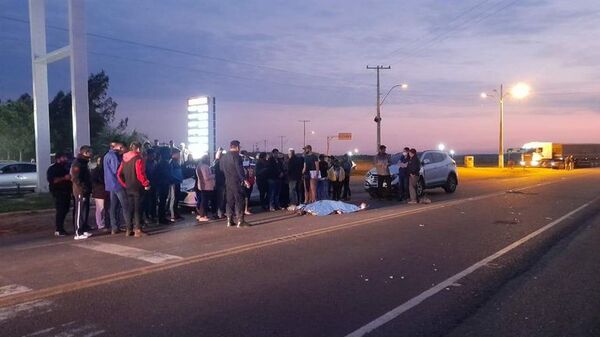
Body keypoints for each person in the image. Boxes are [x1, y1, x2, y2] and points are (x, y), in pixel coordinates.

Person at [117, 142, 150, 237]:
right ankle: (138, 229)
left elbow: (119, 174)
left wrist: (125, 184)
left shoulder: (124, 159)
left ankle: (129, 229)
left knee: (130, 208)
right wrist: (146, 183)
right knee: (138, 209)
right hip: (138, 187)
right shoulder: (138, 159)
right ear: (138, 149)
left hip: (129, 187)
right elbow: (140, 174)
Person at [220, 140, 251, 227]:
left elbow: (221, 169)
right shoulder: (237, 156)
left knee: (229, 201)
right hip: (237, 182)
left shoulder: (224, 157)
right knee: (239, 200)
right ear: (237, 147)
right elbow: (239, 169)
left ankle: (229, 220)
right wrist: (245, 180)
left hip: (228, 182)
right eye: (239, 147)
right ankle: (240, 221)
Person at [104, 142, 130, 235]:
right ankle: (129, 227)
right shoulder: (114, 156)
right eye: (120, 146)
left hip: (111, 184)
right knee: (125, 205)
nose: (121, 148)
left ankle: (115, 227)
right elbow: (117, 170)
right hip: (117, 184)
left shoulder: (107, 155)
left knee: (114, 206)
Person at [47, 152, 72, 236]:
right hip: (58, 192)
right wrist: (64, 178)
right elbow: (52, 180)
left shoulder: (65, 167)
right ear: (58, 159)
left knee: (65, 209)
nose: (65, 159)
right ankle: (59, 229)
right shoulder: (52, 169)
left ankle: (61, 228)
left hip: (67, 191)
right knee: (61, 210)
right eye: (63, 157)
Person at [71, 145, 93, 240]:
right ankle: (78, 232)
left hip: (86, 190)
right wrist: (83, 188)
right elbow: (75, 178)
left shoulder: (84, 162)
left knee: (85, 210)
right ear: (85, 152)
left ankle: (84, 229)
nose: (91, 154)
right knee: (79, 210)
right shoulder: (78, 163)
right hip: (80, 190)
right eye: (90, 152)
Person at [195, 155, 216, 222]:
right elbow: (206, 177)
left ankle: (201, 215)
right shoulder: (205, 167)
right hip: (206, 186)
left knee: (202, 201)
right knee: (205, 202)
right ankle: (203, 215)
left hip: (201, 186)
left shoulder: (199, 166)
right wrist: (214, 175)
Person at [91, 156, 109, 231]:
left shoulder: (105, 170)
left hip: (105, 190)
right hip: (99, 191)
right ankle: (100, 224)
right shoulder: (95, 171)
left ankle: (105, 223)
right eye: (99, 161)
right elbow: (94, 182)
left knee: (105, 208)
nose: (100, 162)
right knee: (100, 209)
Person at [154, 147, 172, 224]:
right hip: (162, 185)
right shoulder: (163, 163)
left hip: (163, 184)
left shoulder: (161, 163)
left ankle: (162, 217)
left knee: (163, 202)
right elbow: (165, 174)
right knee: (162, 202)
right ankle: (161, 219)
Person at [167, 148, 184, 222]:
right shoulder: (171, 162)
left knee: (177, 198)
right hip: (173, 183)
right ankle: (172, 215)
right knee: (173, 199)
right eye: (178, 154)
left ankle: (176, 214)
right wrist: (175, 179)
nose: (179, 155)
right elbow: (170, 173)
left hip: (178, 182)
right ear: (174, 154)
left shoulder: (177, 162)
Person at [143, 148, 158, 223]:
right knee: (147, 201)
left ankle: (153, 215)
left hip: (154, 184)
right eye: (152, 154)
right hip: (147, 185)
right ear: (148, 155)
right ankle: (147, 216)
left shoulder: (155, 162)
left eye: (154, 154)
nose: (154, 156)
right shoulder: (145, 163)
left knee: (154, 200)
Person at [213, 148, 227, 219]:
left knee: (220, 199)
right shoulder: (219, 163)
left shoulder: (216, 163)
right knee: (221, 199)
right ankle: (220, 213)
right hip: (221, 183)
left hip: (219, 182)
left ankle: (220, 213)